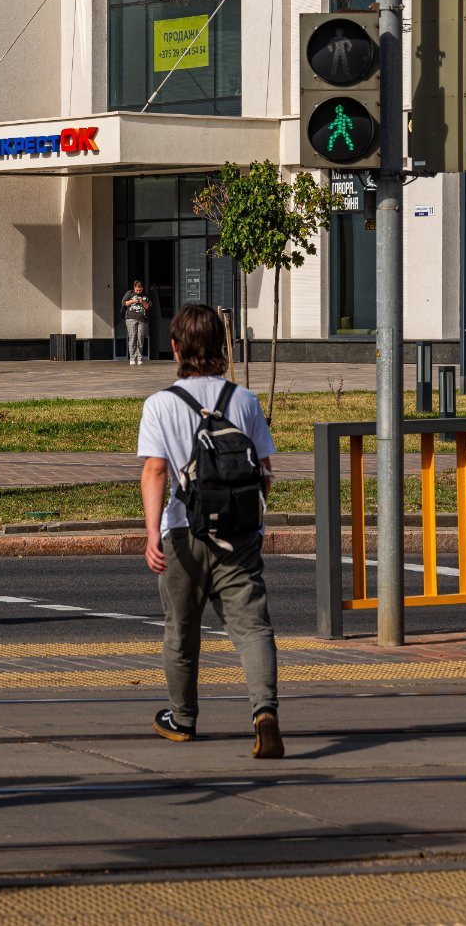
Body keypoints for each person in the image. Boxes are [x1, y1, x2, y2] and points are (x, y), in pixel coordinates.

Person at [137, 303, 284, 757]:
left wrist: (151, 533)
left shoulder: (160, 405)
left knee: (181, 631)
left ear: (176, 347)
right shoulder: (245, 400)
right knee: (253, 628)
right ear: (222, 348)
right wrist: (256, 523)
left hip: (182, 533)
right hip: (237, 534)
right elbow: (264, 469)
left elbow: (155, 472)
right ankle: (264, 711)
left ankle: (182, 719)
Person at [121, 279, 151, 365]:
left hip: (142, 319)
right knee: (132, 337)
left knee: (140, 338)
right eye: (137, 289)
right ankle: (132, 358)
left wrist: (143, 301)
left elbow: (148, 307)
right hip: (131, 318)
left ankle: (140, 358)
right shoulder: (129, 293)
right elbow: (123, 303)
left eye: (140, 289)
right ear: (134, 287)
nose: (138, 291)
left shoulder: (145, 295)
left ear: (142, 288)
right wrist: (133, 301)